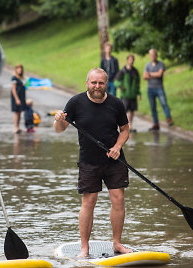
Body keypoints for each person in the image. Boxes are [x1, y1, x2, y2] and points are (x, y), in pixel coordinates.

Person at [53, 68, 132, 257]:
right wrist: (58, 121)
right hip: (88, 161)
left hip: (114, 160)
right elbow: (59, 129)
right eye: (94, 83)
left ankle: (117, 243)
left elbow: (125, 130)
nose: (97, 86)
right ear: (87, 83)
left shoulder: (116, 104)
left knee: (118, 199)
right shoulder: (75, 103)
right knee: (89, 202)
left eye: (101, 83)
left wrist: (117, 147)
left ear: (106, 84)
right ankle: (84, 247)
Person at [143, 48, 173, 131]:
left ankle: (168, 118)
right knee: (153, 107)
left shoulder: (161, 64)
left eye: (153, 55)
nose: (152, 56)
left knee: (164, 104)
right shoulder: (147, 65)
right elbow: (144, 76)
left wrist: (150, 74)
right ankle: (156, 123)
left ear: (156, 55)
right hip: (150, 89)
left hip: (159, 88)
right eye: (151, 55)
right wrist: (153, 74)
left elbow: (160, 74)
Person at [115, 54, 142, 132]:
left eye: (132, 59)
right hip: (125, 95)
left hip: (133, 94)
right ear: (127, 60)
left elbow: (137, 84)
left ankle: (130, 126)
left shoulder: (135, 71)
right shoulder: (123, 71)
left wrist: (139, 93)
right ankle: (124, 126)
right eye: (130, 59)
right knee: (125, 111)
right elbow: (116, 81)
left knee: (132, 110)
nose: (131, 61)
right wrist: (121, 86)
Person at [11, 64, 26, 134]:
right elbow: (13, 89)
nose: (20, 70)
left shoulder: (21, 78)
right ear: (16, 69)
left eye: (21, 68)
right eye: (18, 68)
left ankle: (18, 126)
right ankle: (15, 127)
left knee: (20, 112)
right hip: (16, 97)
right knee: (16, 112)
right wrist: (17, 99)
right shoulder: (14, 78)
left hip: (22, 97)